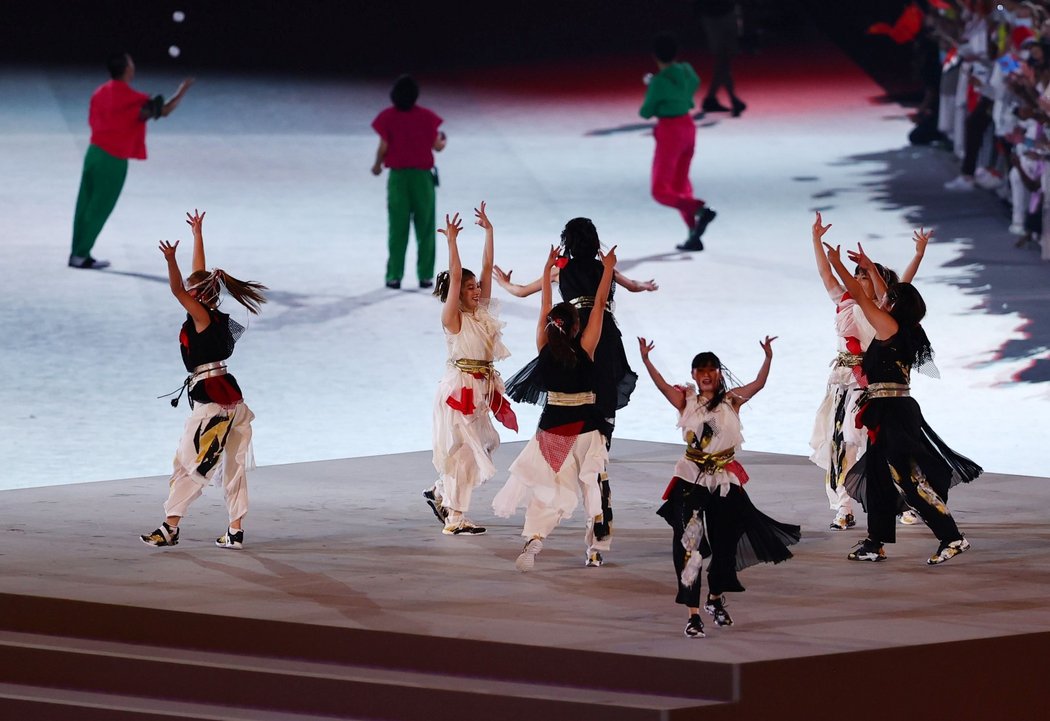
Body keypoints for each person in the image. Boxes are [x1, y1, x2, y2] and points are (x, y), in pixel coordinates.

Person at [495, 217, 654, 565]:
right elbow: (604, 300)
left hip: (564, 349)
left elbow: (529, 296)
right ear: (594, 240)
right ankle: (598, 535)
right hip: (602, 343)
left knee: (558, 457)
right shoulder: (602, 272)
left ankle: (537, 534)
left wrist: (510, 283)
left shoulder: (560, 275)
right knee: (596, 462)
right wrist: (631, 281)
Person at [822, 242, 983, 565]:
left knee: (908, 481)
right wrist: (868, 265)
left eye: (889, 299)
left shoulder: (890, 327)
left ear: (897, 306)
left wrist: (841, 265)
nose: (884, 298)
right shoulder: (905, 328)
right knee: (881, 479)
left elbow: (860, 293)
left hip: (893, 414)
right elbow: (884, 294)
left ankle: (952, 536)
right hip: (888, 410)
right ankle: (875, 542)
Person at [638, 335, 799, 637]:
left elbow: (758, 384)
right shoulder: (686, 401)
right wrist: (647, 360)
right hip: (691, 479)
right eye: (701, 370)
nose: (707, 374)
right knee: (690, 545)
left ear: (719, 374)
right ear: (694, 375)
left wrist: (768, 358)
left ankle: (714, 599)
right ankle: (693, 614)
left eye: (711, 369)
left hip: (725, 480)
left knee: (726, 545)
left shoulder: (732, 401)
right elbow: (661, 386)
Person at [141, 210, 267, 549]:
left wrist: (171, 260)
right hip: (231, 401)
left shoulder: (200, 316)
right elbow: (199, 277)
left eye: (192, 293)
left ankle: (170, 526)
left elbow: (177, 288)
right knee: (233, 466)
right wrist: (197, 236)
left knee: (190, 465)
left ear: (199, 296)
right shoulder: (210, 313)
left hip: (213, 405)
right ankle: (235, 531)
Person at [492, 244, 617, 571]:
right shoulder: (586, 348)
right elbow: (601, 304)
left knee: (549, 488)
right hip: (587, 430)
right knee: (593, 486)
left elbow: (545, 305)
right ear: (577, 326)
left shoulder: (544, 346)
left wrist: (548, 270)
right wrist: (608, 269)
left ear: (551, 325)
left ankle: (534, 540)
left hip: (553, 430)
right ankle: (594, 549)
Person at [809, 212, 929, 531]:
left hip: (875, 385)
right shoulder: (846, 302)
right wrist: (816, 240)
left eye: (866, 273)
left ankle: (905, 501)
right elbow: (825, 274)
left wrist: (917, 255)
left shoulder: (884, 312)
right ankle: (843, 507)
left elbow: (903, 284)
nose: (859, 276)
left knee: (884, 448)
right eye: (858, 273)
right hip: (844, 385)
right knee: (842, 447)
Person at [426, 204, 517, 535]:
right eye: (469, 288)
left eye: (477, 286)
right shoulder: (454, 318)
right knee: (466, 455)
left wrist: (489, 232)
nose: (477, 291)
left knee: (487, 442)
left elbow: (487, 265)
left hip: (482, 386)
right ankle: (455, 517)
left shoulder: (482, 313)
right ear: (456, 292)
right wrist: (452, 241)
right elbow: (455, 271)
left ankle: (441, 491)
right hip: (460, 387)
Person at [70, 53, 192, 270]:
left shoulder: (100, 92)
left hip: (94, 152)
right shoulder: (130, 98)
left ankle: (78, 252)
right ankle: (81, 254)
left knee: (85, 204)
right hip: (113, 159)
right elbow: (161, 111)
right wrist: (181, 93)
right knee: (100, 208)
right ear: (128, 69)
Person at [639, 33, 716, 251]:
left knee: (661, 191)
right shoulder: (686, 70)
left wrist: (654, 86)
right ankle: (693, 234)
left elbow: (646, 112)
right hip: (688, 128)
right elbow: (694, 83)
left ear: (655, 56)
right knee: (681, 185)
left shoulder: (660, 82)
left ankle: (700, 209)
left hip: (670, 131)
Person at [371, 74, 447, 290]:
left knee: (397, 227)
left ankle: (394, 276)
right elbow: (438, 146)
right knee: (425, 227)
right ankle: (425, 276)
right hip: (423, 178)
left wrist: (377, 165)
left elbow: (383, 147)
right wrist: (443, 140)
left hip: (398, 178)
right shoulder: (426, 117)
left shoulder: (388, 117)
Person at [694, 0, 746, 117]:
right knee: (723, 58)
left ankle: (711, 99)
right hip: (714, 15)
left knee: (724, 59)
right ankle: (731, 99)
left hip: (723, 12)